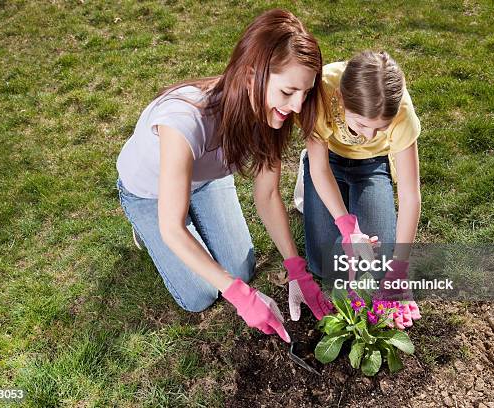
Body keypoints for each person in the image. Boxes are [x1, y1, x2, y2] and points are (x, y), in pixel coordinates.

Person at [115, 9, 332, 343]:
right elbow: (171, 228)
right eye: (288, 92)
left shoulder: (270, 115)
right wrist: (241, 297)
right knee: (201, 295)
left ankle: (191, 217)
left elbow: (268, 195)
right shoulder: (184, 120)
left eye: (304, 93)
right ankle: (144, 227)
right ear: (250, 75)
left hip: (206, 181)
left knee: (242, 270)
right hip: (150, 192)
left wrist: (296, 269)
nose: (298, 107)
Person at [297, 50, 422, 328]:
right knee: (323, 265)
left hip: (372, 166)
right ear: (341, 100)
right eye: (362, 124)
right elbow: (321, 169)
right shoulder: (323, 90)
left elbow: (410, 196)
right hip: (326, 160)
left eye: (381, 128)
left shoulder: (402, 110)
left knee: (379, 266)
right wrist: (348, 229)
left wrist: (399, 270)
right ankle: (305, 182)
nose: (369, 135)